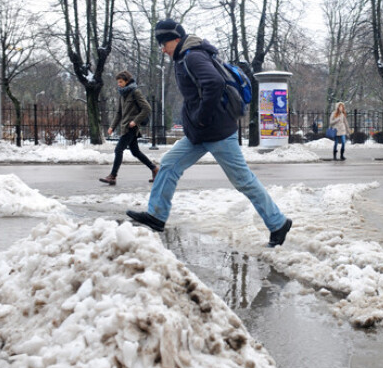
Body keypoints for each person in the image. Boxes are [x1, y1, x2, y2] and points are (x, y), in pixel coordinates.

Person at [126, 19, 292, 247]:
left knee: (243, 181)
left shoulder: (193, 56)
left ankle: (278, 223)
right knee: (169, 165)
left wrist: (201, 117)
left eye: (164, 43)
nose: (162, 48)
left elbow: (213, 83)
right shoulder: (183, 57)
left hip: (217, 132)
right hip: (200, 134)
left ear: (176, 38)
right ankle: (156, 216)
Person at [99, 71, 159, 186]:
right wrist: (112, 126)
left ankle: (113, 176)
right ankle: (154, 169)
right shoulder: (122, 94)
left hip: (131, 127)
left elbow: (147, 108)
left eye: (121, 82)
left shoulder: (135, 92)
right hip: (125, 126)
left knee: (118, 150)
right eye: (118, 82)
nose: (119, 84)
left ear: (127, 81)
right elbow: (119, 113)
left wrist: (135, 121)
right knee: (135, 152)